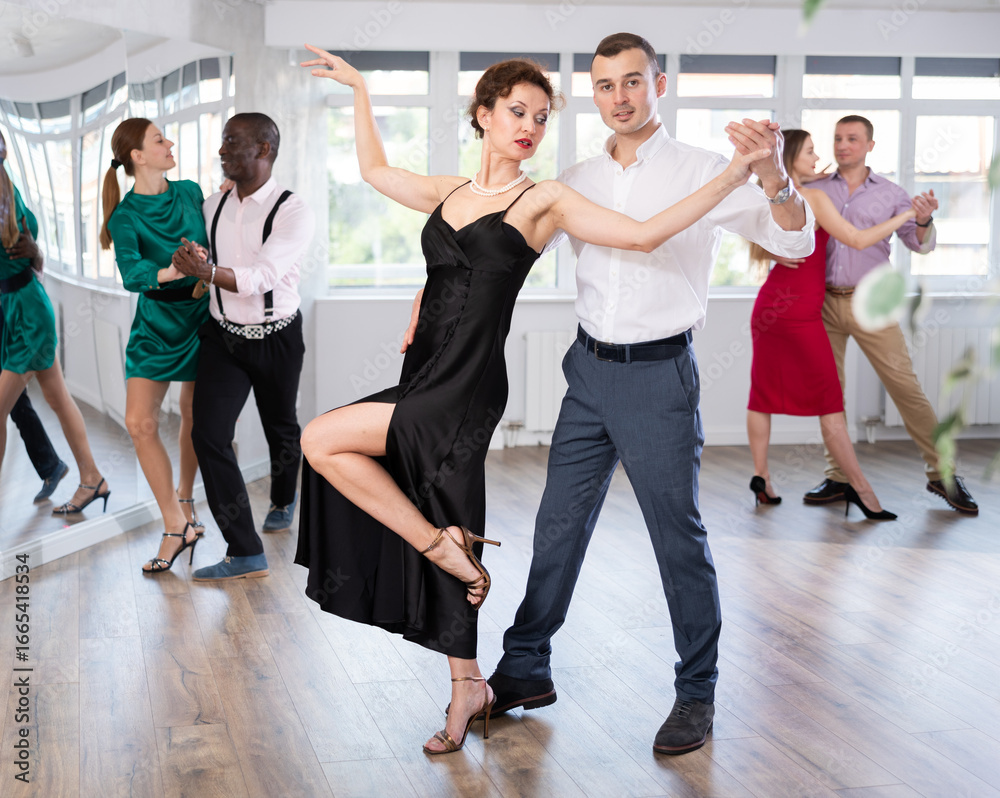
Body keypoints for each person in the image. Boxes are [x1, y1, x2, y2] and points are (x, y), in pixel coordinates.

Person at [294, 43, 773, 757]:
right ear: (482, 114)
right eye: (517, 112)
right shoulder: (453, 191)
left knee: (321, 439)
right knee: (484, 515)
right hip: (449, 369)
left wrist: (737, 172)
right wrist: (361, 88)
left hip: (483, 383)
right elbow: (373, 173)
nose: (529, 126)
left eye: (542, 117)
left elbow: (643, 236)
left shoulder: (544, 197)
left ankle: (450, 556)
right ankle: (480, 679)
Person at [480, 33, 813, 757]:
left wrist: (774, 176)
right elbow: (497, 256)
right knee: (556, 530)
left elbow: (794, 244)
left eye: (633, 82)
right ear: (594, 94)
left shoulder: (704, 170)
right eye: (605, 86)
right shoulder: (572, 177)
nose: (620, 98)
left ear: (659, 84)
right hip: (588, 373)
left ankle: (696, 693)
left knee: (677, 542)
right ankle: (525, 667)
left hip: (660, 377)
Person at [799, 115, 978, 515]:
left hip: (872, 303)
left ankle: (942, 475)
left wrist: (925, 218)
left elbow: (921, 245)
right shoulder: (814, 188)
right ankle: (839, 477)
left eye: (853, 139)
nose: (843, 145)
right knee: (829, 394)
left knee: (906, 389)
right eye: (838, 138)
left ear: (870, 145)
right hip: (823, 303)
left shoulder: (893, 195)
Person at [170, 112, 314, 580]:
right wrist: (195, 261)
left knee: (281, 426)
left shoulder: (293, 210)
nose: (221, 151)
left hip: (277, 337)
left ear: (264, 150)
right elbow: (217, 263)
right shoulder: (212, 205)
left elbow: (262, 278)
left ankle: (283, 498)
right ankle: (245, 550)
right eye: (223, 142)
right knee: (207, 434)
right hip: (223, 337)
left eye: (232, 142)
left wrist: (208, 273)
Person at [746, 129, 914, 520]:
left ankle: (762, 479)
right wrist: (904, 215)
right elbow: (856, 239)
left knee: (762, 393)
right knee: (830, 402)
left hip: (771, 306)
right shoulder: (815, 197)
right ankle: (862, 490)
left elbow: (755, 239)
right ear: (790, 157)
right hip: (801, 313)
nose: (818, 155)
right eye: (809, 151)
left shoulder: (769, 196)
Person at [101, 118, 211, 572]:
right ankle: (174, 523)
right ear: (137, 157)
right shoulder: (124, 216)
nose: (170, 144)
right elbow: (132, 273)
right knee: (139, 422)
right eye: (159, 140)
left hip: (203, 318)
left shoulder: (190, 192)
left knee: (194, 415)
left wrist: (202, 262)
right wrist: (173, 269)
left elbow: (218, 241)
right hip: (156, 326)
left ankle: (185, 501)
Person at [0, 130, 109, 513]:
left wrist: (37, 253)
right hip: (16, 307)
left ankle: (90, 477)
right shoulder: (10, 198)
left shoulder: (9, 199)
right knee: (58, 398)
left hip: (28, 312)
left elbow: (30, 258)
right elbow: (30, 257)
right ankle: (92, 477)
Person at [0, 305, 69, 502]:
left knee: (15, 402)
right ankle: (51, 465)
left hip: (12, 313)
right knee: (15, 403)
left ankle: (52, 466)